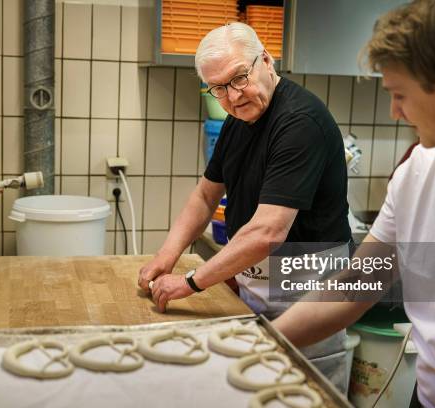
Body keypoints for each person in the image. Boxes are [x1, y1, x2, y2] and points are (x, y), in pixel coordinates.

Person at [273, 0, 435, 406]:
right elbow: (355, 286)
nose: (394, 112)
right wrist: (260, 342)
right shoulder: (419, 170)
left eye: (399, 94)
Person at [138, 22, 353, 391]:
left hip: (307, 294)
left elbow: (268, 232)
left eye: (239, 78)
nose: (233, 96)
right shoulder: (238, 121)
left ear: (266, 60)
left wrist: (189, 282)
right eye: (218, 88)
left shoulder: (299, 123)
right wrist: (167, 254)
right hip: (259, 287)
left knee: (303, 394)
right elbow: (205, 195)